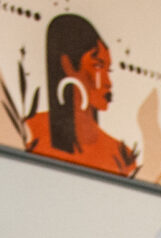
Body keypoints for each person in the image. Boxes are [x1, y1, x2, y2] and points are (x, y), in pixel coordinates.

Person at [35, 13, 140, 178]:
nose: (108, 82)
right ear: (67, 64)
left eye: (108, 70)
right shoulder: (31, 133)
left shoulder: (122, 156)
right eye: (98, 66)